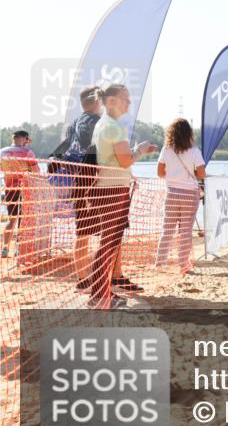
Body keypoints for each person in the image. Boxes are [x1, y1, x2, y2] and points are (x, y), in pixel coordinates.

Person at [87, 84, 157, 309]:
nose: (129, 103)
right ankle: (99, 295)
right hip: (112, 188)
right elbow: (125, 161)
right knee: (108, 243)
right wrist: (141, 150)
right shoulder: (114, 127)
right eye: (125, 99)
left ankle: (102, 292)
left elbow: (117, 160)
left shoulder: (103, 124)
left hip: (106, 187)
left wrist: (134, 152)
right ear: (111, 101)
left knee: (108, 243)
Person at [50, 86, 104, 287]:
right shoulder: (93, 121)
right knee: (96, 233)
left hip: (79, 184)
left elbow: (59, 151)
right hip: (91, 184)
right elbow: (82, 140)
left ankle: (83, 278)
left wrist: (54, 163)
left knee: (83, 233)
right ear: (97, 102)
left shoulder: (75, 121)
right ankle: (93, 277)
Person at [156, 118, 206, 274]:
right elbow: (201, 173)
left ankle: (160, 263)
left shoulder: (166, 150)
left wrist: (172, 176)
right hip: (190, 194)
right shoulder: (195, 151)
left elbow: (159, 172)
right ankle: (183, 264)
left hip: (172, 192)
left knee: (167, 230)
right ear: (189, 133)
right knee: (185, 231)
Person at [1, 131, 38, 258]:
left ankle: (5, 249)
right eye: (27, 140)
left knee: (11, 219)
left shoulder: (2, 152)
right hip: (25, 189)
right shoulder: (28, 152)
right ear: (24, 139)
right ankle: (18, 249)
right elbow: (36, 171)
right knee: (23, 220)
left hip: (9, 188)